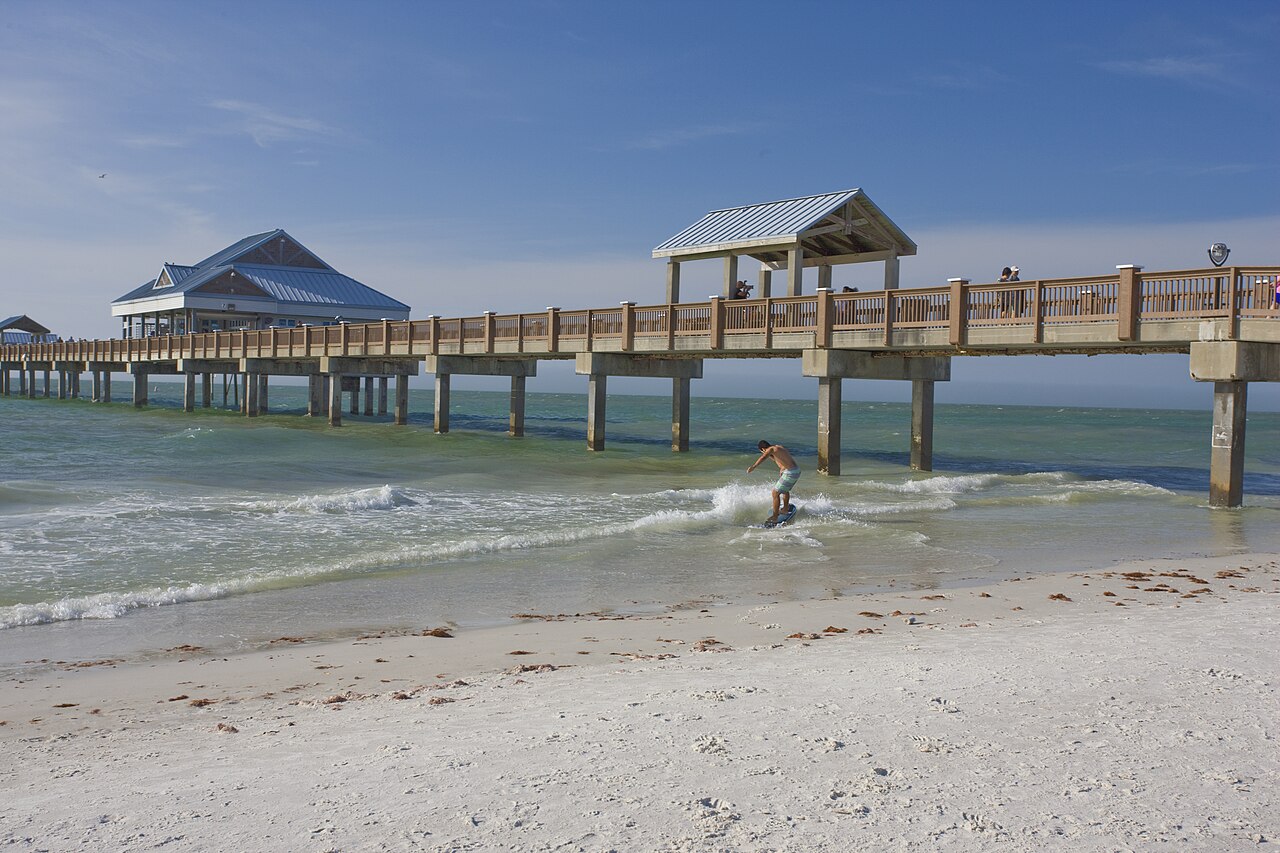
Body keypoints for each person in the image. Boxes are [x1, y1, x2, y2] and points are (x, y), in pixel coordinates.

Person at [747, 439, 800, 524]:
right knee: (785, 490)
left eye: (763, 451)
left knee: (775, 493)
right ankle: (785, 509)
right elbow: (784, 459)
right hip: (795, 470)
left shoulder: (771, 449)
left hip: (790, 473)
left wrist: (753, 466)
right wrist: (783, 468)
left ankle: (775, 517)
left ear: (763, 449)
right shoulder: (778, 447)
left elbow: (763, 457)